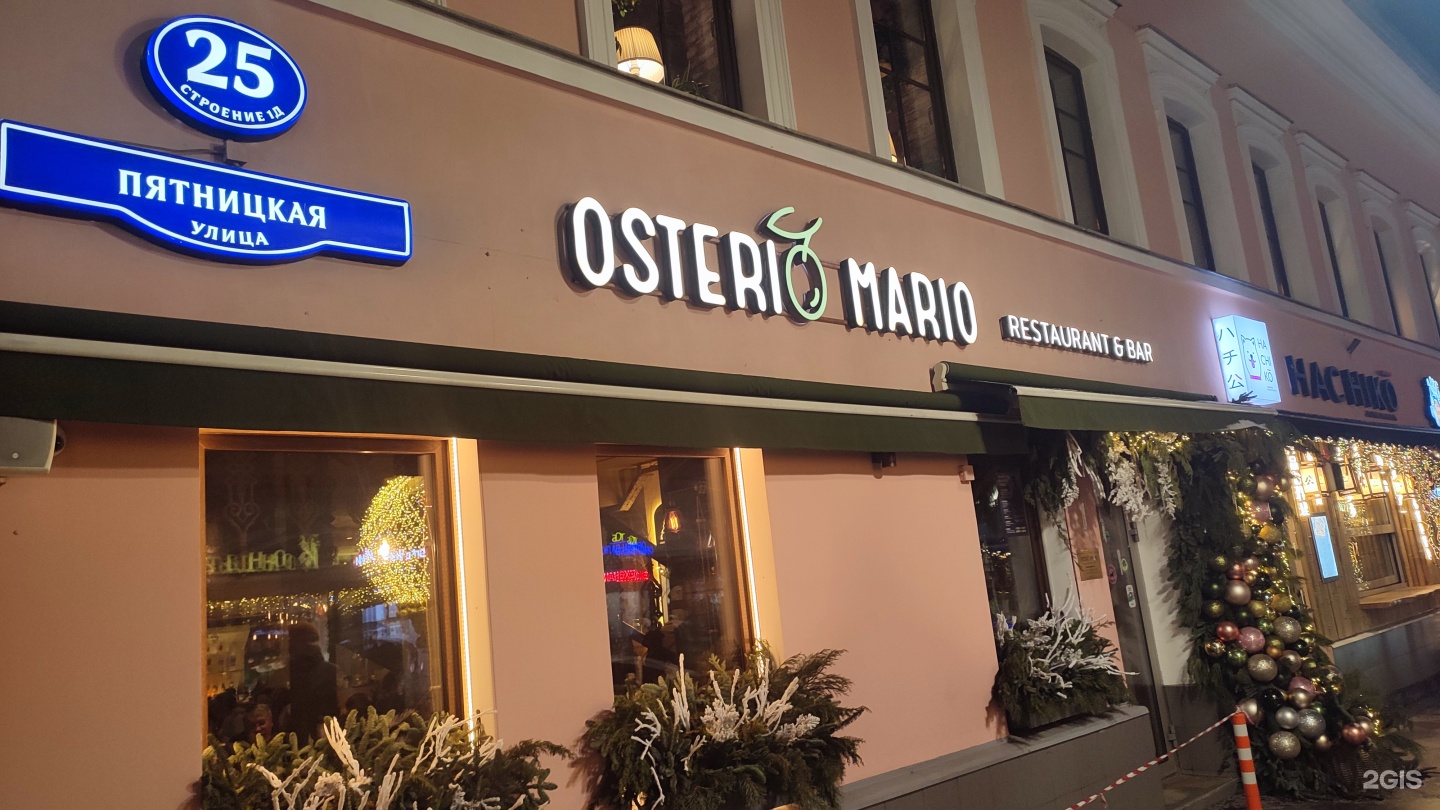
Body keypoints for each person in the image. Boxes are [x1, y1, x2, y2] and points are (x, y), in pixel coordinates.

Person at [285, 621, 339, 741]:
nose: (290, 645)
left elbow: (331, 709)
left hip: (321, 738)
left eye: (292, 640)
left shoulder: (327, 671)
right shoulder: (292, 671)